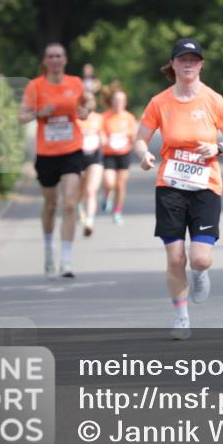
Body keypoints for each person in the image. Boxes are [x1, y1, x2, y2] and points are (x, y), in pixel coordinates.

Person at [134, 38, 223, 340]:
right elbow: (141, 137)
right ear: (173, 64)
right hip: (170, 184)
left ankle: (201, 272)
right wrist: (144, 154)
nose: (189, 63)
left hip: (206, 185)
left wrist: (218, 148)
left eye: (194, 59)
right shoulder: (160, 102)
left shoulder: (213, 99)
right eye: (183, 58)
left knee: (199, 258)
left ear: (201, 64)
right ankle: (181, 317)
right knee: (175, 257)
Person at [18, 43, 90, 279]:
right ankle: (49, 247)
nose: (55, 60)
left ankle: (66, 260)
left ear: (65, 60)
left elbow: (89, 103)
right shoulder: (35, 86)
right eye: (51, 56)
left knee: (69, 203)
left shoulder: (75, 83)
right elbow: (21, 116)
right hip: (47, 153)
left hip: (72, 150)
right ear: (45, 61)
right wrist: (39, 113)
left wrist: (85, 111)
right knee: (51, 205)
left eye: (59, 56)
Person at [101, 88, 139, 225]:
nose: (118, 103)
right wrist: (104, 139)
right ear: (111, 101)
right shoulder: (105, 117)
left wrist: (131, 138)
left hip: (124, 153)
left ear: (125, 102)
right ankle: (107, 195)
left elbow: (135, 136)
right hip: (108, 154)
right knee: (109, 182)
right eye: (116, 100)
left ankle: (117, 211)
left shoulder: (129, 117)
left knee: (120, 185)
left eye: (121, 101)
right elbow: (101, 133)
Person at [76, 92, 105, 237]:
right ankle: (78, 206)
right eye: (85, 101)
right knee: (79, 190)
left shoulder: (99, 118)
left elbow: (103, 135)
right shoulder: (75, 119)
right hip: (78, 157)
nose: (88, 104)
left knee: (90, 190)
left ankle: (89, 221)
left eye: (91, 101)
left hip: (95, 156)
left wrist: (104, 140)